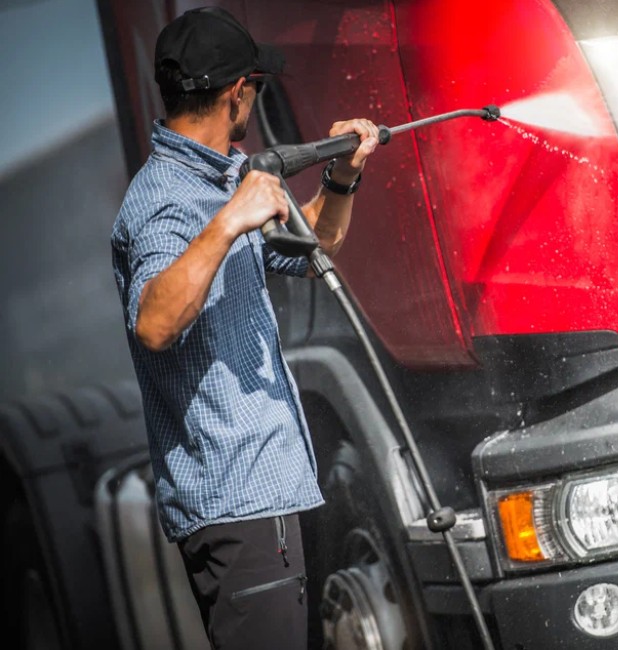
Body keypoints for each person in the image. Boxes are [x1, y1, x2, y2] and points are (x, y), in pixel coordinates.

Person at [110, 7, 378, 649]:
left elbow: (316, 249)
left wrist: (343, 174)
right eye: (256, 87)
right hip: (239, 512)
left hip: (276, 496)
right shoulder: (164, 200)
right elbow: (153, 322)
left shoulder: (220, 179)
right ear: (237, 93)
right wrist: (229, 220)